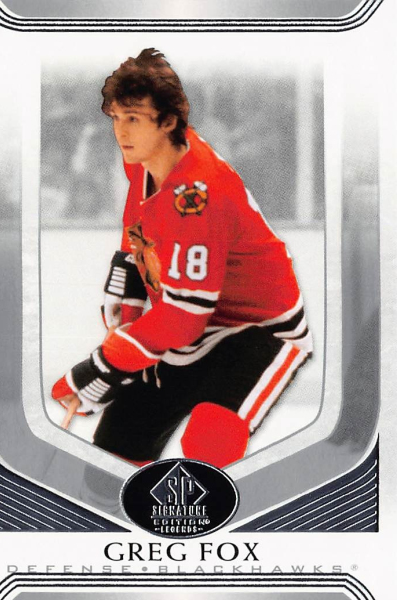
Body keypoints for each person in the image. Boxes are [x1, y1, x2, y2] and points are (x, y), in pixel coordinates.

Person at [52, 48, 313, 469]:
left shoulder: (198, 195)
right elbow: (139, 222)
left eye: (133, 118)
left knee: (211, 439)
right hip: (190, 324)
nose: (120, 131)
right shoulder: (148, 155)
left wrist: (101, 365)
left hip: (257, 330)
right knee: (114, 451)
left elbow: (184, 317)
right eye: (116, 117)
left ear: (169, 121)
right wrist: (129, 297)